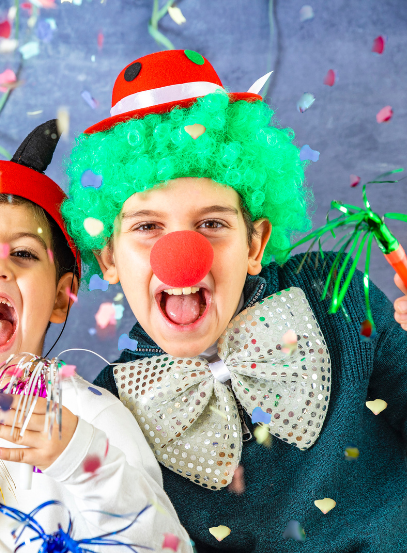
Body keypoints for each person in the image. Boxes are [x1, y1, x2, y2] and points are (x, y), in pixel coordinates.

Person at [62, 50, 407, 552]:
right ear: (109, 257)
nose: (182, 256)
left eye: (211, 224)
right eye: (147, 227)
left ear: (255, 244)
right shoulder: (105, 408)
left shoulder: (337, 296)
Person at [0, 120, 191, 552]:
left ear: (61, 296)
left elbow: (167, 546)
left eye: (22, 253)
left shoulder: (92, 417)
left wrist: (81, 456)